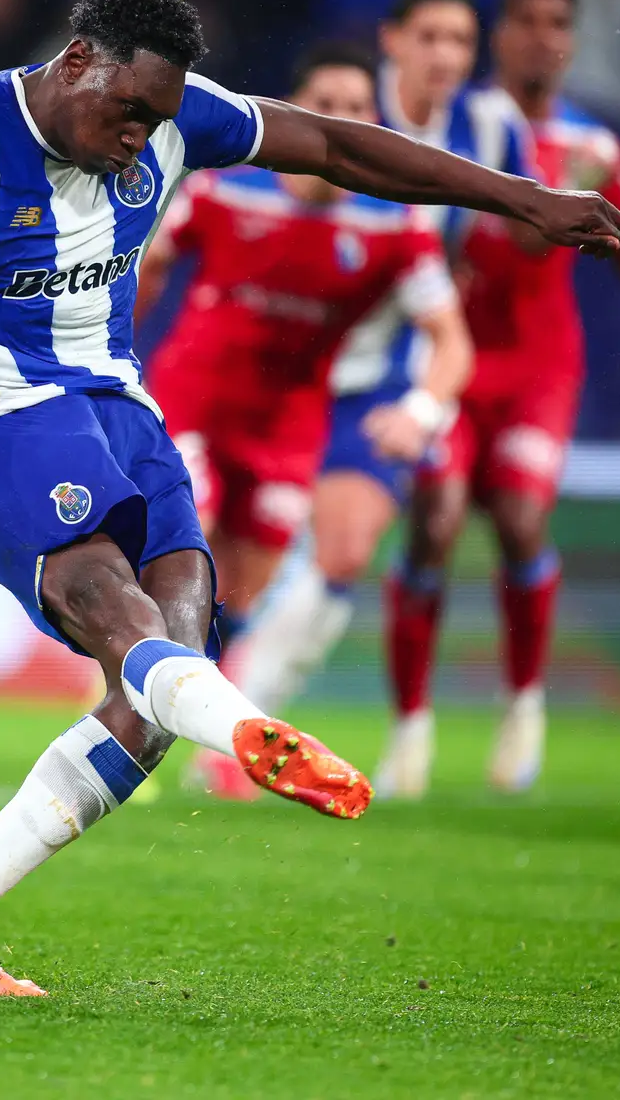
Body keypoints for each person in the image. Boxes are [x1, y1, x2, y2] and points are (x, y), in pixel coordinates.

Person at [0, 0, 620, 996]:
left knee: (161, 681)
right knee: (112, 605)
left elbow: (339, 147)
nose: (142, 136)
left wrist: (522, 196)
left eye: (157, 118)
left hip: (119, 411)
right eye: (128, 111)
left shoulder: (175, 118)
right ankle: (249, 730)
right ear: (78, 62)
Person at [382, 0, 620, 799]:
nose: (542, 36)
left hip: (538, 369)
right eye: (526, 20)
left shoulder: (597, 145)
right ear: (500, 33)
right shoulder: (460, 126)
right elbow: (494, 236)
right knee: (434, 523)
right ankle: (411, 728)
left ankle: (523, 707)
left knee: (520, 522)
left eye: (558, 22)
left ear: (573, 40)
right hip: (448, 357)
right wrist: (559, 193)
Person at [135, 41, 472, 801]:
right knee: (186, 543)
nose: (341, 119)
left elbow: (452, 340)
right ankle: (126, 721)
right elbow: (147, 270)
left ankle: (213, 736)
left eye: (357, 108)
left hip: (288, 423)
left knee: (238, 598)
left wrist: (421, 410)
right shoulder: (224, 189)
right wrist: (110, 364)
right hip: (193, 400)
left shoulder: (396, 226)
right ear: (292, 112)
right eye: (326, 104)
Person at [229, 0, 529, 784]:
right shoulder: (349, 116)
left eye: (461, 40)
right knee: (228, 567)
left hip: (374, 381)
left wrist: (425, 404)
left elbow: (501, 251)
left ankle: (254, 726)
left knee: (352, 549)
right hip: (276, 376)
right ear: (392, 41)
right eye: (430, 36)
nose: (446, 55)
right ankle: (178, 700)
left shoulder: (487, 131)